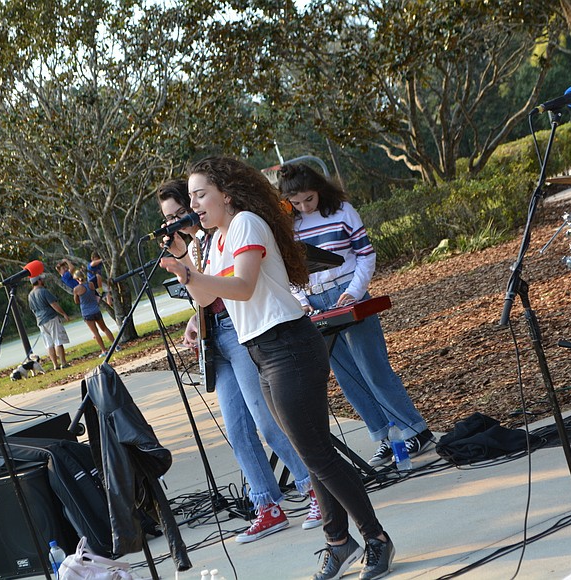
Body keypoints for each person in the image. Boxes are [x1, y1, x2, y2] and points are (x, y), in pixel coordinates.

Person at [161, 157, 395, 580]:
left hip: (289, 344)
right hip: (262, 350)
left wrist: (192, 276)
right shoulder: (212, 241)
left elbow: (243, 287)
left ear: (226, 194)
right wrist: (188, 271)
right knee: (313, 452)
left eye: (200, 195)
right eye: (191, 196)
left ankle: (376, 538)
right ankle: (339, 543)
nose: (193, 205)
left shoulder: (247, 223)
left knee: (317, 455)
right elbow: (209, 300)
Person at [156, 179, 322, 543]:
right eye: (167, 219)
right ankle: (267, 504)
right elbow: (204, 296)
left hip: (240, 329)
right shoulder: (197, 244)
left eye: (180, 213)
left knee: (267, 420)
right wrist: (193, 321)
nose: (174, 223)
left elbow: (233, 284)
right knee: (237, 429)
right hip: (216, 334)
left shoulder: (221, 233)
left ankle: (313, 489)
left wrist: (190, 263)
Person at [277, 163, 435, 469]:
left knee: (373, 368)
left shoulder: (343, 211)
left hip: (348, 290)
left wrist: (355, 289)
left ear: (319, 189)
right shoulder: (288, 225)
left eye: (309, 199)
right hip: (314, 300)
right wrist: (300, 300)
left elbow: (365, 254)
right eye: (295, 203)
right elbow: (289, 270)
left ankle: (415, 429)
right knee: (348, 377)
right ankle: (386, 437)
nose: (303, 206)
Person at [28, 275, 71, 370]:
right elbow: (54, 304)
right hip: (51, 318)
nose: (43, 280)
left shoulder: (30, 295)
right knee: (58, 340)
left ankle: (55, 365)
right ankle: (63, 363)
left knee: (49, 343)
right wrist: (64, 314)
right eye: (41, 279)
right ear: (38, 281)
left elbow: (33, 310)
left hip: (40, 321)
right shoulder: (43, 291)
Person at [72, 269, 118, 358]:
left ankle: (104, 350)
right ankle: (116, 345)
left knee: (96, 333)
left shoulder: (76, 289)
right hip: (96, 309)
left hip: (87, 312)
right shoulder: (91, 284)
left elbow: (76, 301)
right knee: (104, 328)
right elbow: (94, 294)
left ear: (77, 279)